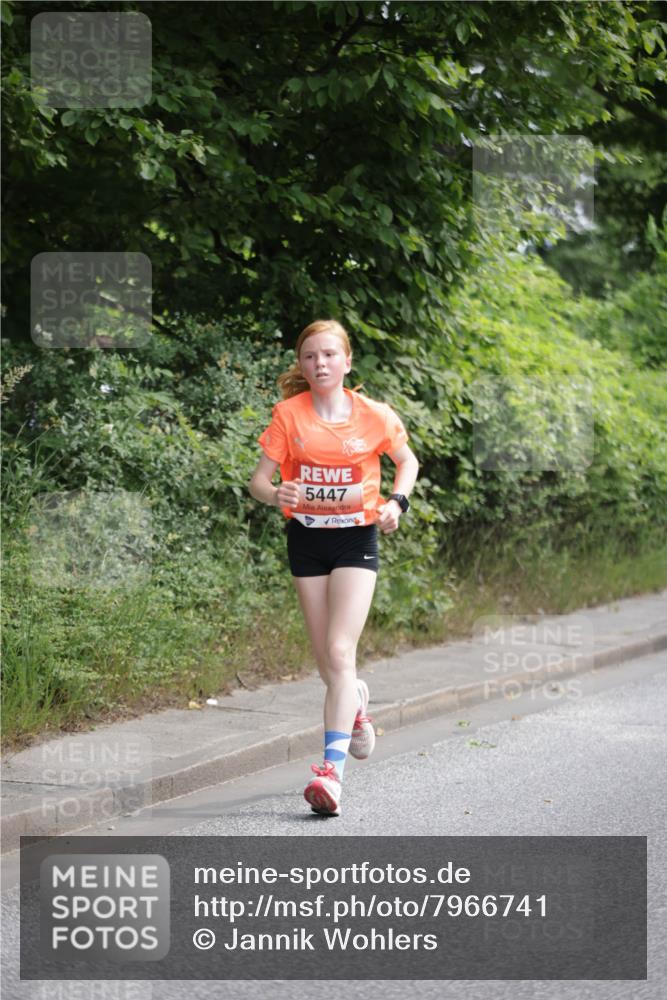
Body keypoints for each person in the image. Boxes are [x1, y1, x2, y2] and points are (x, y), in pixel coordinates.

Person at [249, 319, 419, 816]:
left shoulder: (375, 415)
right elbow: (258, 481)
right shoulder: (288, 415)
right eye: (309, 356)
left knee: (341, 650)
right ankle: (357, 705)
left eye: (328, 355)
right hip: (305, 541)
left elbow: (407, 461)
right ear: (301, 365)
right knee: (328, 663)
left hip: (355, 540)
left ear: (347, 362)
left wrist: (397, 503)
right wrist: (276, 491)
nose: (319, 364)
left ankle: (331, 775)